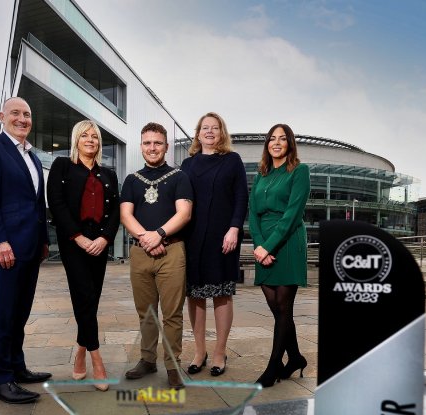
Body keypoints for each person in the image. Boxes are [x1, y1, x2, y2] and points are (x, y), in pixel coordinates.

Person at [0, 96, 52, 404]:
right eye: (15, 113)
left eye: (27, 114)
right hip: (4, 249)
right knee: (2, 315)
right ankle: (0, 380)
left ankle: (17, 368)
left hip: (30, 249)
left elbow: (36, 205)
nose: (22, 118)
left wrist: (43, 240)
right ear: (1, 116)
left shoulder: (32, 158)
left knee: (19, 313)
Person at [47, 120, 119, 391]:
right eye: (85, 136)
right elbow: (56, 203)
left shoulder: (108, 174)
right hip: (73, 240)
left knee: (92, 299)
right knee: (84, 295)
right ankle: (97, 359)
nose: (91, 140)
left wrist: (104, 238)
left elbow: (115, 212)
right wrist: (77, 237)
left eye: (95, 137)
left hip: (100, 242)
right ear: (76, 140)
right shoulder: (62, 166)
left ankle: (80, 348)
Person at [120, 122, 193, 389]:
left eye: (158, 143)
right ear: (141, 146)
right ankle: (147, 360)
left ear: (165, 146)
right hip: (141, 253)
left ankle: (173, 366)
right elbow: (125, 214)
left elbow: (184, 213)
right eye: (147, 143)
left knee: (172, 313)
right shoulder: (131, 180)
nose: (152, 148)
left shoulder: (179, 177)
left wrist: (159, 234)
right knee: (147, 313)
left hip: (172, 251)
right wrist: (146, 238)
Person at [181, 112, 248, 377]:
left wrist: (234, 229)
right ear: (198, 134)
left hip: (223, 238)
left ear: (221, 133)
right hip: (193, 238)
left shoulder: (232, 160)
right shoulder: (187, 165)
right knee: (195, 294)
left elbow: (242, 197)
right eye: (205, 128)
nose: (209, 131)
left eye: (215, 128)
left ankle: (219, 352)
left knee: (221, 293)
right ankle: (200, 351)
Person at [249, 123, 310, 387]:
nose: (276, 143)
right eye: (272, 139)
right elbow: (252, 214)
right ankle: (295, 357)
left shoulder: (299, 171)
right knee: (277, 310)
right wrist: (260, 245)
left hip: (288, 242)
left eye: (282, 139)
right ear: (267, 145)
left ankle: (273, 367)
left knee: (284, 307)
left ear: (289, 144)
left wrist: (269, 246)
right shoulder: (260, 174)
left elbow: (292, 214)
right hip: (264, 244)